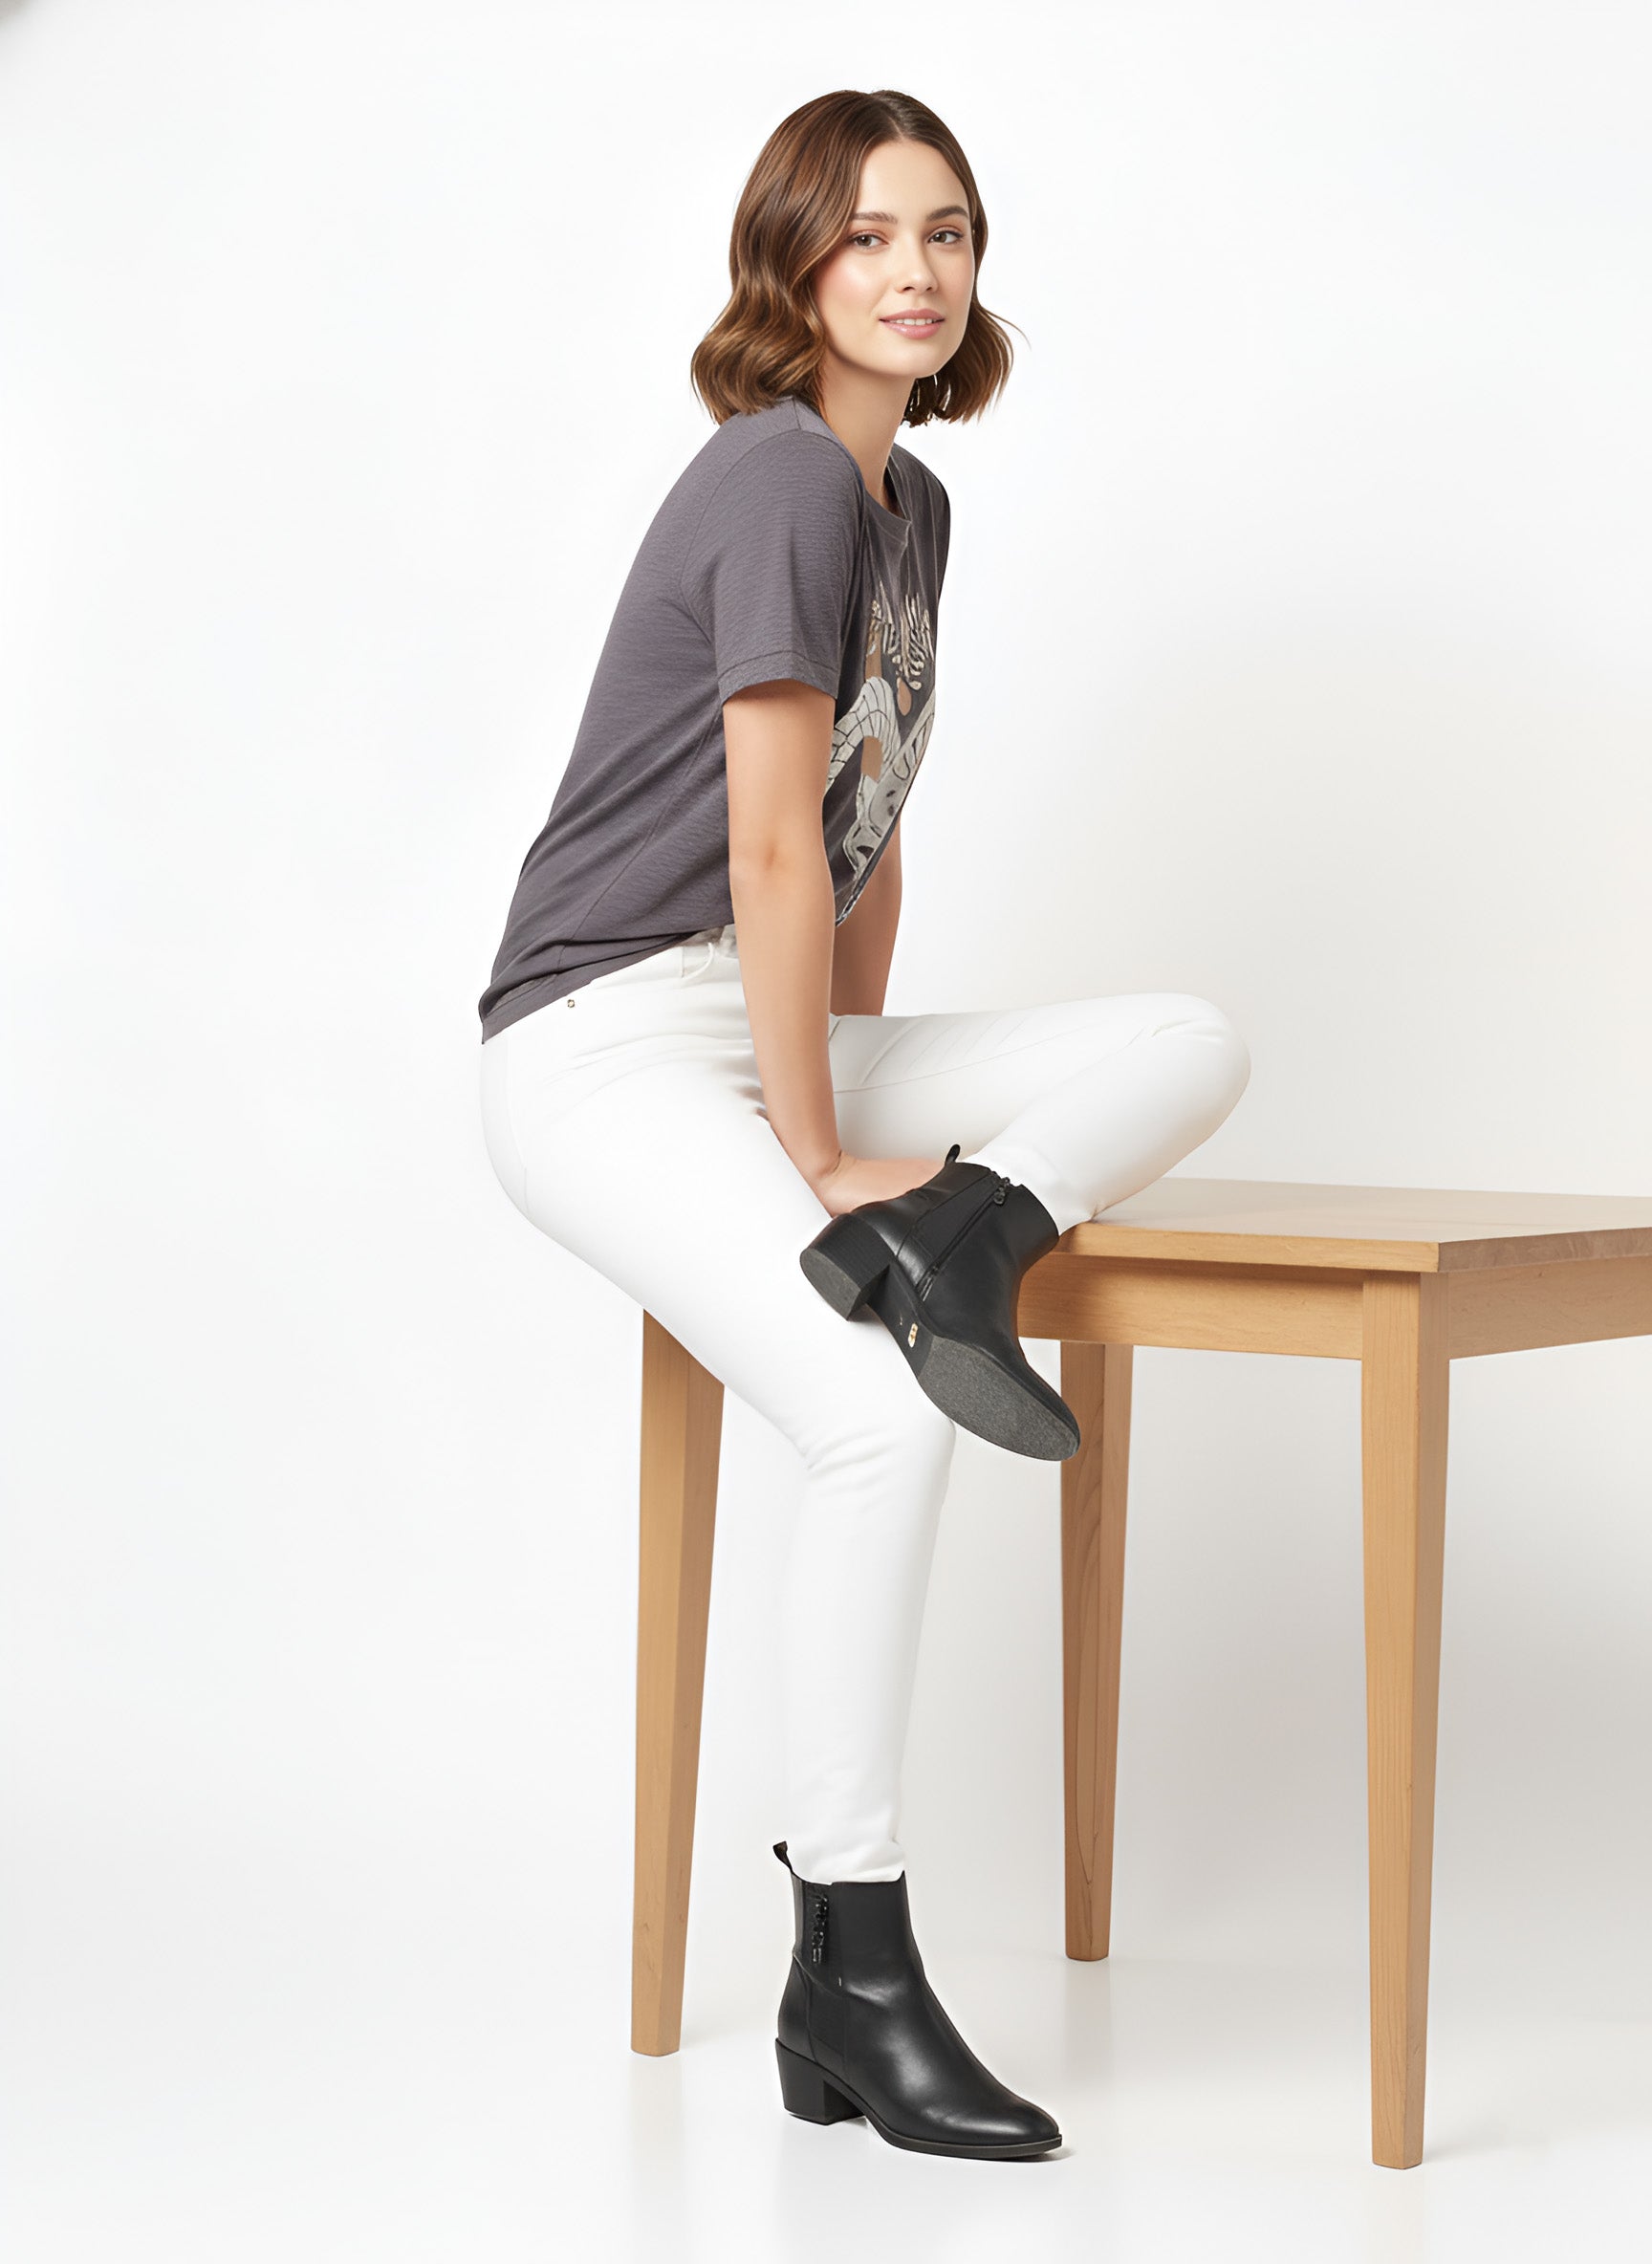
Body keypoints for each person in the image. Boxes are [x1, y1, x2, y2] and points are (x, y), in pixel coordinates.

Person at [476, 88, 1251, 2161]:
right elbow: (762, 843)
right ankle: (852, 1968)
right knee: (878, 1420)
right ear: (794, 263)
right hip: (608, 1037)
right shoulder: (779, 478)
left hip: (770, 1013)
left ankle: (966, 1235)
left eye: (951, 233)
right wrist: (815, 1152)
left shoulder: (910, 510)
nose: (918, 272)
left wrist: (854, 1094)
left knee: (1188, 1035)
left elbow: (862, 830)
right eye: (872, 235)